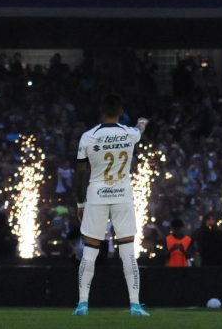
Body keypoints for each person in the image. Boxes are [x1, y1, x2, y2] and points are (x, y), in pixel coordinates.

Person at [72, 93, 149, 317]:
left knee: (90, 251)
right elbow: (139, 130)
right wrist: (142, 122)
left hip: (96, 195)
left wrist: (79, 202)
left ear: (101, 111)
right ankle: (134, 305)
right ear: (121, 112)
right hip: (122, 195)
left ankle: (82, 304)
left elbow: (80, 173)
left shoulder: (88, 137)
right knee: (128, 251)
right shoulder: (129, 133)